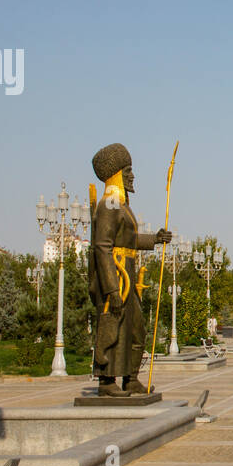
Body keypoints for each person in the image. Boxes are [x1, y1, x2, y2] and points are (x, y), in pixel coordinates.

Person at [89, 143, 172, 396]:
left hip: (129, 271)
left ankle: (131, 378)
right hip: (116, 274)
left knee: (135, 328)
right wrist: (112, 288)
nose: (132, 176)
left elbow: (130, 240)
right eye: (128, 171)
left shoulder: (122, 206)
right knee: (113, 327)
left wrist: (155, 239)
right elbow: (102, 247)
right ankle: (106, 382)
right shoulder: (110, 204)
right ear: (116, 175)